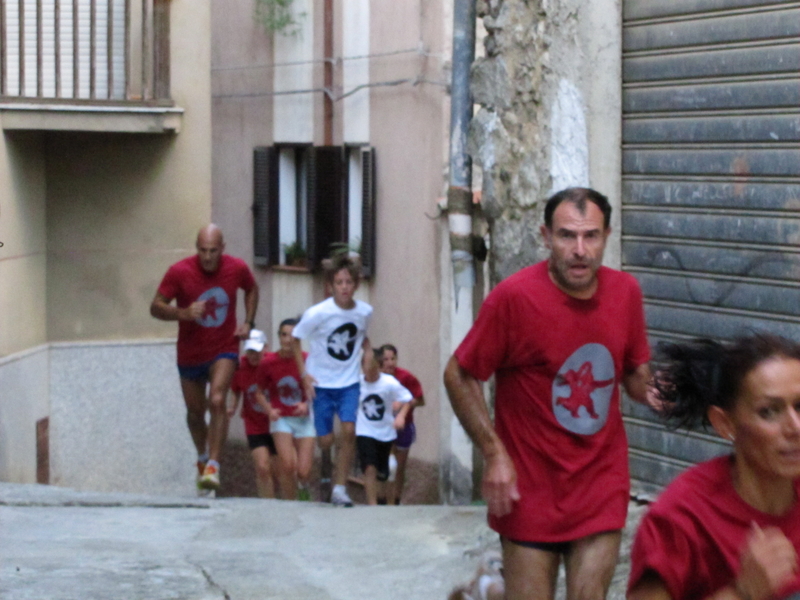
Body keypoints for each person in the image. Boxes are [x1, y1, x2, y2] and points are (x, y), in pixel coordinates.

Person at [444, 187, 655, 600]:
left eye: (590, 236)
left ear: (607, 236)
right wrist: (494, 453)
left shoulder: (625, 292)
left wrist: (656, 391)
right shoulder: (515, 298)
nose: (580, 250)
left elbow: (633, 373)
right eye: (566, 236)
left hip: (599, 479)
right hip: (531, 485)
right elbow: (459, 374)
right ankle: (492, 589)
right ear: (545, 237)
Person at [628, 333, 800, 600]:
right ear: (725, 423)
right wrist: (742, 593)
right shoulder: (680, 517)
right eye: (769, 412)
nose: (795, 428)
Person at [150, 224, 259, 491]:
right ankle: (201, 456)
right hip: (190, 353)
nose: (207, 257)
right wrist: (183, 313)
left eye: (212, 251)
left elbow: (252, 289)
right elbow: (155, 307)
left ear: (223, 248)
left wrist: (248, 322)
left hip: (224, 347)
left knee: (218, 398)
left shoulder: (237, 268)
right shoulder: (179, 272)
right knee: (195, 413)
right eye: (202, 251)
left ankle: (213, 465)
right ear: (196, 249)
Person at [291, 254, 372, 507]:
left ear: (356, 284)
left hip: (348, 382)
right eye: (339, 282)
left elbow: (362, 337)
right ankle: (327, 468)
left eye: (349, 282)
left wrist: (368, 352)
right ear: (330, 285)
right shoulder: (318, 313)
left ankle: (340, 488)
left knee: (348, 431)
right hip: (321, 383)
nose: (344, 287)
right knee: (325, 440)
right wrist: (304, 375)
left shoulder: (364, 312)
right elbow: (296, 338)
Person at [257, 318, 316, 501]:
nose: (288, 340)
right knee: (288, 465)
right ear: (279, 337)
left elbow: (319, 388)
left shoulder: (307, 360)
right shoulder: (268, 362)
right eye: (284, 335)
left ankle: (303, 487)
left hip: (305, 419)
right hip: (281, 418)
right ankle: (291, 503)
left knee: (304, 471)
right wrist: (269, 410)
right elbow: (258, 392)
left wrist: (306, 404)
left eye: (292, 335)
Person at [357, 350, 413, 505]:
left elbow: (408, 399)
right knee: (369, 467)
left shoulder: (389, 383)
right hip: (364, 431)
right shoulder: (357, 383)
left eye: (373, 366)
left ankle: (389, 502)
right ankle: (372, 504)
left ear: (378, 366)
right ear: (362, 367)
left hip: (385, 433)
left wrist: (401, 416)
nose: (370, 370)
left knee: (385, 472)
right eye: (366, 366)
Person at [228, 329, 276, 498]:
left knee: (282, 469)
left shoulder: (273, 363)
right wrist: (232, 407)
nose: (254, 356)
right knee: (262, 468)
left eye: (257, 351)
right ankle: (268, 506)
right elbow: (235, 390)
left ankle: (288, 504)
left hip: (277, 424)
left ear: (266, 348)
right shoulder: (240, 366)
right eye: (250, 351)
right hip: (254, 423)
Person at [378, 343, 425, 505]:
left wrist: (405, 404)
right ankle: (381, 499)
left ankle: (395, 500)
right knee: (383, 464)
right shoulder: (375, 378)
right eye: (386, 359)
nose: (390, 363)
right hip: (382, 427)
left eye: (393, 358)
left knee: (399, 467)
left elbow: (420, 400)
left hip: (403, 427)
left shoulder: (406, 377)